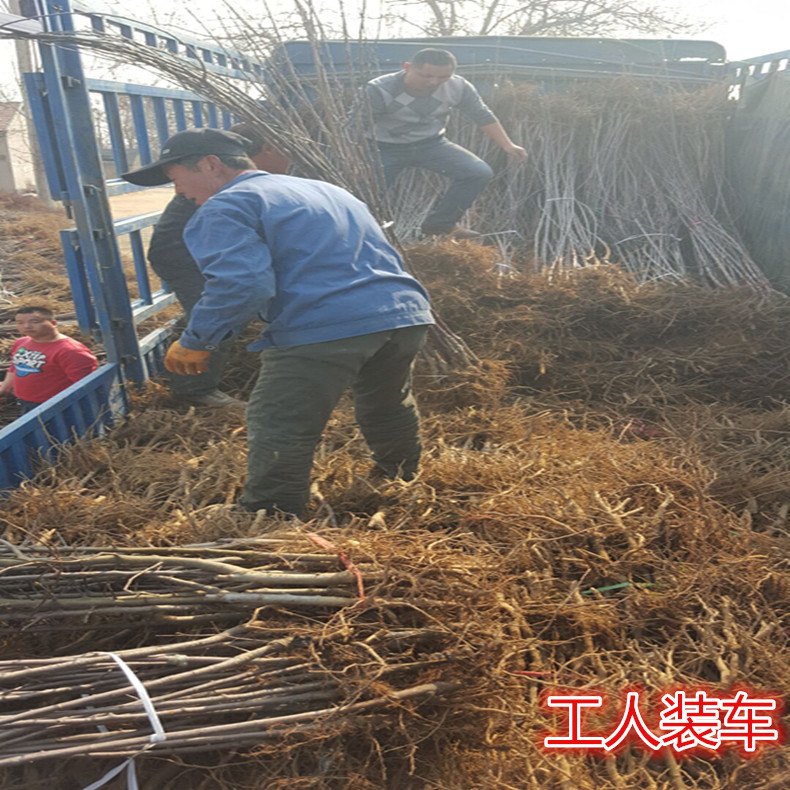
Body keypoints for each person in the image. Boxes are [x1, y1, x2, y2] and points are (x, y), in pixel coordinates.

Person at [122, 127, 434, 517]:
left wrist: (199, 339)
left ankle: (270, 513)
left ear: (210, 164)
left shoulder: (225, 205)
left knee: (279, 420)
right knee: (387, 402)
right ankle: (400, 478)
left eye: (175, 178)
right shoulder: (325, 190)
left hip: (325, 323)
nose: (179, 191)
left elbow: (243, 283)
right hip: (403, 313)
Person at [146, 123, 292, 407]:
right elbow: (241, 283)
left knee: (225, 302)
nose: (291, 160)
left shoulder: (243, 181)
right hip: (184, 255)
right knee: (220, 304)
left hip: (214, 249)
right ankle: (193, 391)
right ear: (266, 149)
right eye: (286, 151)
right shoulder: (222, 189)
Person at [363, 48, 527, 238]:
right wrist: (358, 160)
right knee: (365, 193)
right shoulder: (380, 89)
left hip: (431, 144)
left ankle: (440, 225)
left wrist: (508, 145)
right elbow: (355, 126)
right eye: (426, 75)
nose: (434, 82)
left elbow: (482, 115)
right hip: (382, 148)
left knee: (478, 172)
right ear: (407, 67)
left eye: (443, 77)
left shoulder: (458, 86)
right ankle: (364, 231)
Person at [0, 306, 98, 416]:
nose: (26, 326)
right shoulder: (21, 342)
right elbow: (15, 366)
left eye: (34, 322)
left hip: (56, 407)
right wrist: (5, 387)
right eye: (20, 322)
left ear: (53, 323)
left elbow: (85, 385)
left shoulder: (71, 351)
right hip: (26, 402)